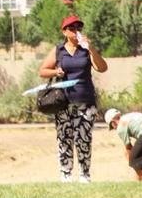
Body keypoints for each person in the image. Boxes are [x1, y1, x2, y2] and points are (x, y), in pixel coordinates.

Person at [38, 15, 108, 183]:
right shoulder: (58, 50)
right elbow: (42, 71)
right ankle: (66, 174)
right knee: (64, 137)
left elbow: (102, 68)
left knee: (84, 137)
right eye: (72, 28)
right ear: (64, 32)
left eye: (78, 28)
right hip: (63, 102)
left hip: (85, 100)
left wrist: (91, 48)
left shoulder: (85, 50)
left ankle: (84, 174)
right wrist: (56, 72)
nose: (76, 31)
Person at [104, 108, 142, 180]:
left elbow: (128, 148)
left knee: (134, 161)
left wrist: (132, 162)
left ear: (113, 122)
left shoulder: (120, 126)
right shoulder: (131, 115)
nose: (114, 128)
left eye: (112, 127)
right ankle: (138, 183)